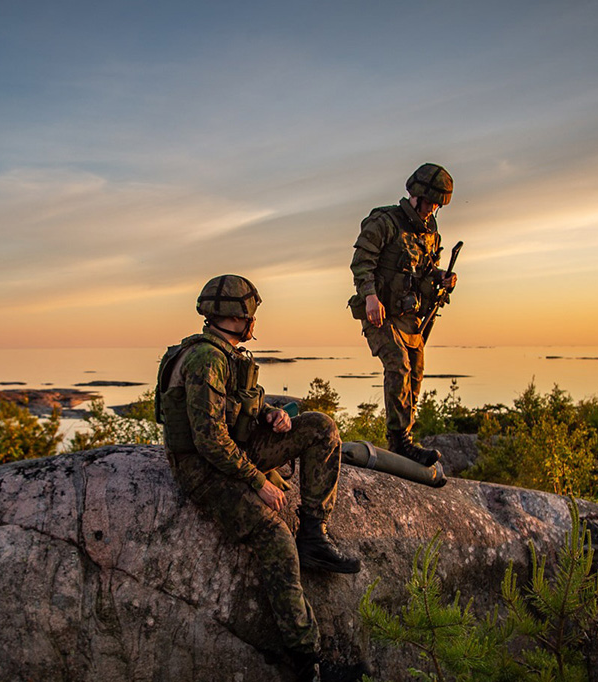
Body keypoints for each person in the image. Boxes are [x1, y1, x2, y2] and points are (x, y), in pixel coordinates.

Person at [156, 274, 361, 682]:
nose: (255, 322)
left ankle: (314, 536)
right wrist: (258, 482)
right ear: (238, 317)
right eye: (252, 314)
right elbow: (209, 440)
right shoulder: (206, 360)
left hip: (238, 448)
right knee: (275, 538)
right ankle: (308, 660)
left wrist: (271, 414)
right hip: (203, 469)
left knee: (320, 427)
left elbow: (239, 405)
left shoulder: (226, 354)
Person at [349, 163, 458, 466]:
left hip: (411, 318)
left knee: (415, 374)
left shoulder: (430, 234)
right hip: (380, 314)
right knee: (398, 366)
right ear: (417, 195)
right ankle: (400, 442)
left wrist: (441, 277)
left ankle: (405, 437)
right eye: (431, 202)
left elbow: (424, 270)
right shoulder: (385, 222)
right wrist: (370, 297)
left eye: (438, 205)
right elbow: (362, 262)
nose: (434, 209)